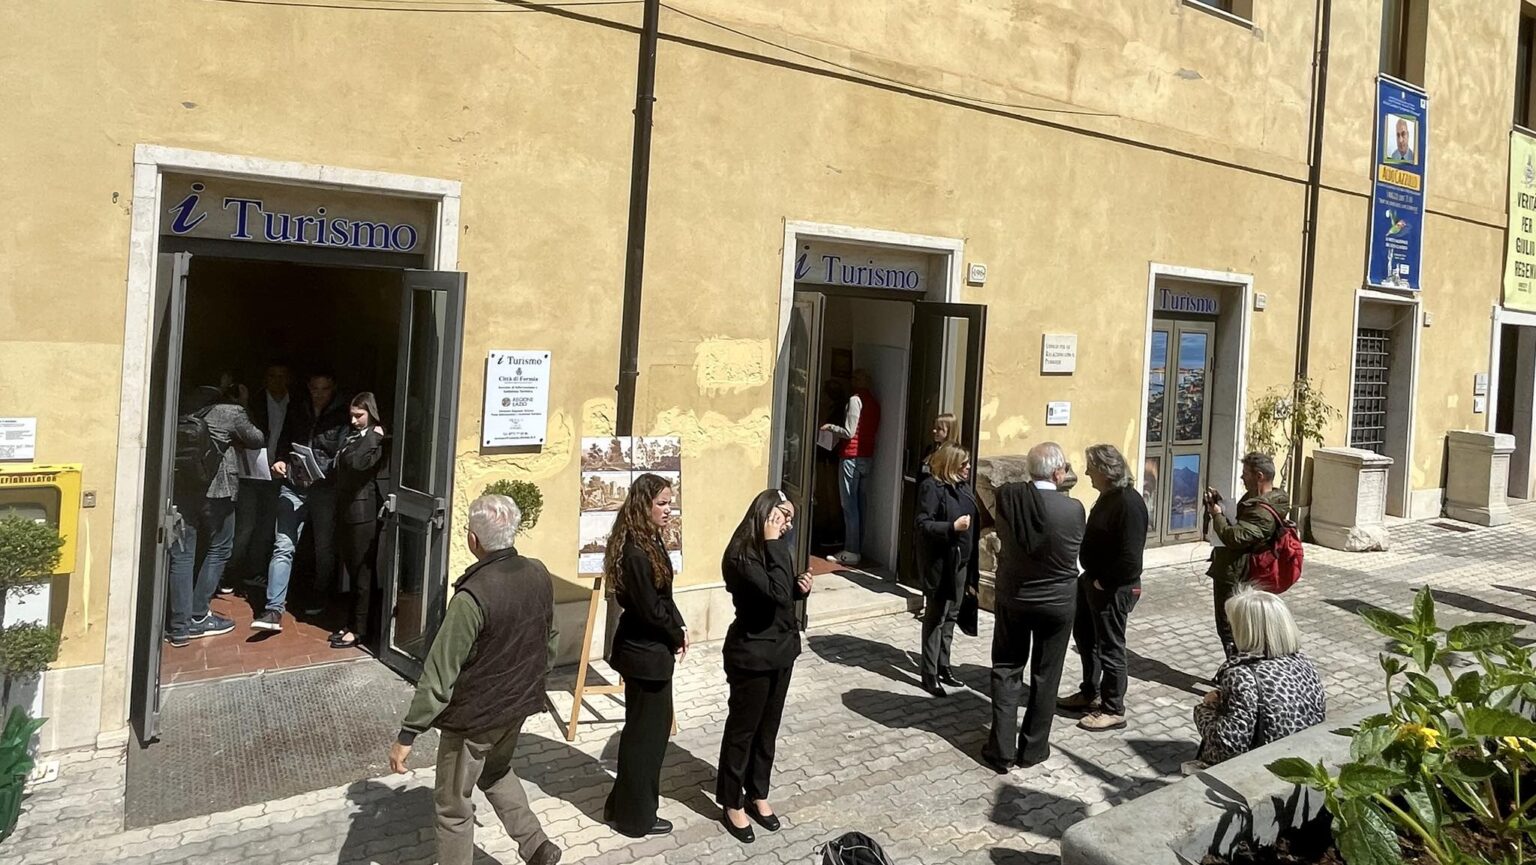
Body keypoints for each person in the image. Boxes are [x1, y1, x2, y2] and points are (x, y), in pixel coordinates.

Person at [388, 495, 561, 865]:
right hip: (518, 706)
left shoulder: (472, 597)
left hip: (475, 719)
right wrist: (534, 686)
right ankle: (537, 845)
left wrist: (408, 734)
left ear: (473, 540)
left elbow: (440, 673)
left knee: (452, 806)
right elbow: (550, 640)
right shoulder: (539, 573)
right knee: (495, 771)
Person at [715, 490, 814, 844]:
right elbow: (773, 593)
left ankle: (757, 792)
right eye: (783, 516)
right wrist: (773, 544)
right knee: (744, 730)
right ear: (765, 512)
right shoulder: (741, 555)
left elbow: (783, 593)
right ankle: (731, 800)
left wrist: (800, 590)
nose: (787, 525)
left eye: (790, 520)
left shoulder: (773, 548)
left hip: (781, 651)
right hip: (753, 654)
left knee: (768, 729)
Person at [980, 442, 1085, 772]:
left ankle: (1001, 750)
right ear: (1058, 473)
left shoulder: (1010, 500)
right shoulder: (1074, 510)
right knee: (1046, 675)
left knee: (1007, 668)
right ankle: (1034, 748)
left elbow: (1004, 491)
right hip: (1058, 602)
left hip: (1015, 597)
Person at [604, 473, 687, 838]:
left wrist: (679, 626)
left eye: (670, 503)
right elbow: (650, 609)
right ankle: (636, 818)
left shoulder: (648, 540)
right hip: (644, 655)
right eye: (662, 503)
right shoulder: (635, 552)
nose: (668, 510)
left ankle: (619, 805)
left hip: (651, 651)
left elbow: (664, 597)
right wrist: (675, 633)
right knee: (646, 739)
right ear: (644, 505)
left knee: (643, 733)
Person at [166, 381, 265, 646]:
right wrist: (243, 403)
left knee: (182, 556)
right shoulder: (230, 411)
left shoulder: (180, 406)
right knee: (220, 547)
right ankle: (199, 614)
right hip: (217, 492)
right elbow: (257, 438)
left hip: (184, 490)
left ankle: (179, 627)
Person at [1062, 444, 1149, 731]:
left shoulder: (1128, 503)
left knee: (1111, 647)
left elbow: (1130, 559)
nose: (1087, 473)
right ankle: (1090, 692)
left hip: (1114, 589)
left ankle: (1113, 708)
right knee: (1086, 639)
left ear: (1105, 470)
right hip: (1093, 582)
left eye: (1091, 468)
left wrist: (1104, 582)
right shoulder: (1108, 497)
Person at [255, 371, 350, 631]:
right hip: (293, 485)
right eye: (314, 388)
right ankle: (273, 609)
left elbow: (342, 454)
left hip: (324, 490)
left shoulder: (342, 415)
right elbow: (285, 439)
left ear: (333, 388)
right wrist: (280, 460)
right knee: (283, 545)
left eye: (324, 389)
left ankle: (320, 593)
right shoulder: (298, 407)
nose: (318, 394)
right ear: (308, 387)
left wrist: (324, 471)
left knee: (323, 548)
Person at [1193, 587, 1325, 767]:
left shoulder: (1241, 676)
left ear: (1245, 631)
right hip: (1301, 761)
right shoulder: (1304, 663)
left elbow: (1228, 743)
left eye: (1233, 625)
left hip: (1260, 768)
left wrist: (1205, 709)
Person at [1204, 452, 1290, 659]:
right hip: (1236, 569)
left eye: (1246, 473)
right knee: (1234, 626)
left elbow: (1235, 537)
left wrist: (1216, 514)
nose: (1242, 477)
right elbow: (1239, 522)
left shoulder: (1263, 511)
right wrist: (1220, 504)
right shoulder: (1255, 499)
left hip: (1237, 574)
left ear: (1259, 476)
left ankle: (1236, 668)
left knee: (1231, 627)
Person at [914, 443, 976, 697]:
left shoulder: (963, 488)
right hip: (941, 563)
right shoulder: (932, 487)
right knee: (936, 616)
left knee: (952, 614)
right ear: (950, 464)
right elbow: (922, 524)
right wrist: (951, 527)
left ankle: (944, 665)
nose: (968, 468)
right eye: (964, 464)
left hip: (961, 562)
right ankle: (929, 673)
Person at [329, 393, 388, 650]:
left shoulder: (375, 439)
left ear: (371, 414)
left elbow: (357, 464)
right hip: (347, 510)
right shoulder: (352, 436)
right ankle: (352, 622)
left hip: (363, 513)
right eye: (351, 415)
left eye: (359, 415)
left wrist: (374, 435)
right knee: (353, 572)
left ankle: (361, 629)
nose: (353, 421)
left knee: (363, 573)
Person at [230, 363, 292, 590]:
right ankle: (229, 571)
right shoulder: (254, 402)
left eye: (282, 376)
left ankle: (254, 571)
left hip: (277, 474)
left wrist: (284, 460)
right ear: (265, 378)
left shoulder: (295, 404)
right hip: (251, 473)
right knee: (245, 527)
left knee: (266, 528)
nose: (277, 380)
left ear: (289, 378)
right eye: (272, 376)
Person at [820, 369, 881, 566]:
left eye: (855, 377)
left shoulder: (855, 400)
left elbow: (849, 431)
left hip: (851, 456)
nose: (852, 381)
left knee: (849, 505)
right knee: (860, 504)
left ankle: (851, 550)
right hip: (866, 456)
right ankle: (857, 548)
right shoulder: (874, 403)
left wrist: (830, 427)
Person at [919, 412, 956, 477]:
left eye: (939, 428)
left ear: (949, 430)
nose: (934, 431)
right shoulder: (930, 449)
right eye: (934, 427)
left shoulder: (954, 453)